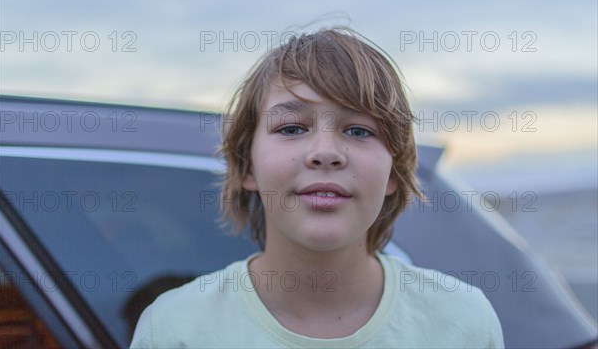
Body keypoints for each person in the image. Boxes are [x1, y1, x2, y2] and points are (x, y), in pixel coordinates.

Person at [130, 26, 504, 348]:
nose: (325, 153)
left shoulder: (463, 322)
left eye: (359, 130)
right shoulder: (173, 330)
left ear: (393, 172)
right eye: (292, 128)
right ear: (247, 167)